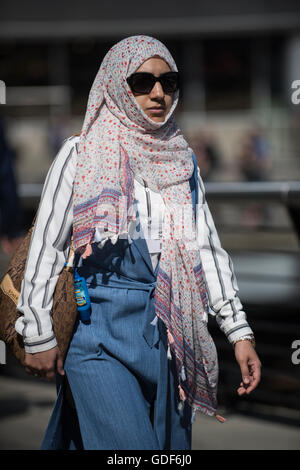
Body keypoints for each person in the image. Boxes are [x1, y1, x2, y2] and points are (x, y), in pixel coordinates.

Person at [15, 36, 261, 450]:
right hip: (97, 335)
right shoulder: (81, 153)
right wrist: (38, 334)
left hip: (171, 338)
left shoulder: (182, 159)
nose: (158, 93)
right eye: (142, 82)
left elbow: (204, 248)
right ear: (115, 85)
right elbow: (48, 246)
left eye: (169, 81)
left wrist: (238, 331)